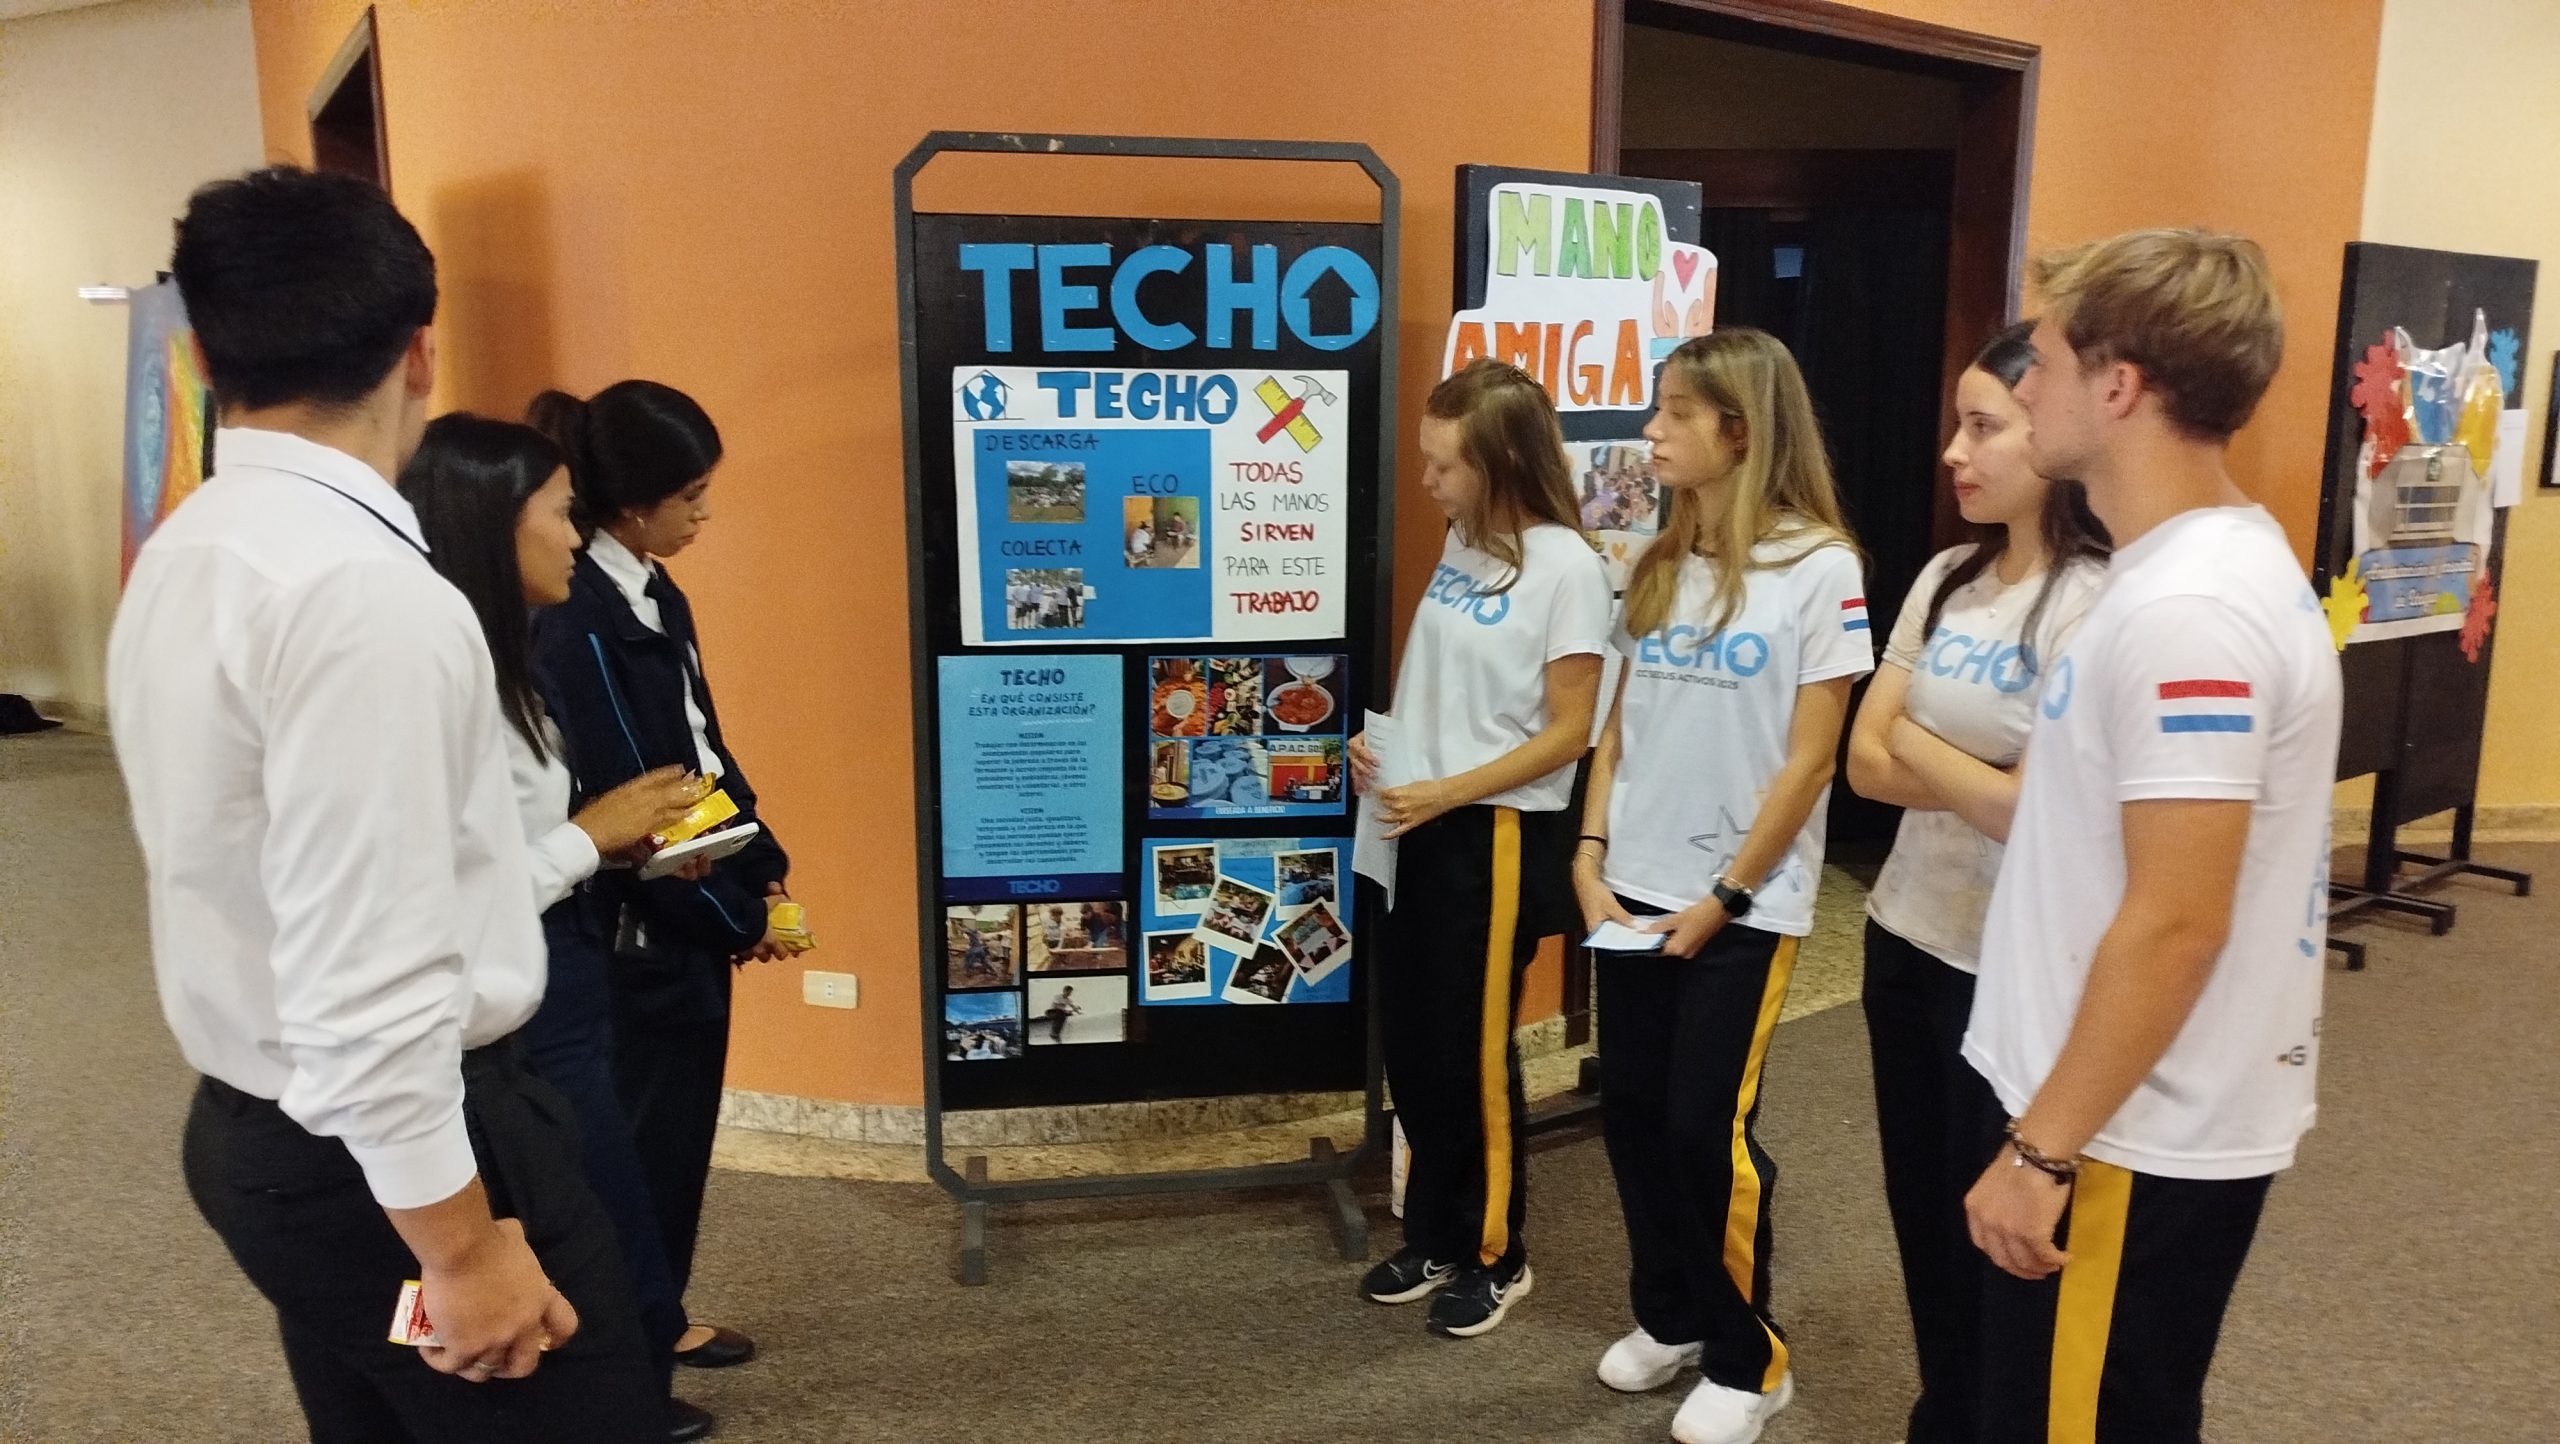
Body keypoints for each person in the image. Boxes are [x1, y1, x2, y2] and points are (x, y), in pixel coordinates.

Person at [107, 166, 659, 1441]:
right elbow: (368, 967)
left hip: (273, 1125)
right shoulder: (363, 593)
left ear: (205, 357)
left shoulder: (192, 547)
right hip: (401, 1151)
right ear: (419, 352)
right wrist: (460, 1248)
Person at [1962, 230, 2340, 1443]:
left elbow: (2178, 919)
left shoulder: (2192, 609)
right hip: (2106, 1117)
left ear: (2118, 386)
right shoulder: (2168, 571)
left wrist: (2042, 1150)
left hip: (2125, 1134)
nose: (2024, 386)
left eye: (2043, 360)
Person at [401, 413, 728, 1441]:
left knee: (600, 1194)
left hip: (557, 968)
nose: (575, 538)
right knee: (577, 1208)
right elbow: (454, 890)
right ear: (491, 526)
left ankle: (631, 1363)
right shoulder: (447, 679)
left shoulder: (507, 660)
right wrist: (590, 838)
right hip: (504, 1006)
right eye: (559, 514)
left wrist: (611, 845)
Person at [1572, 328, 1871, 1444]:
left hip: (1743, 906)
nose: (1650, 431)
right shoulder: (1657, 562)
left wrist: (1729, 896)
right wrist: (1587, 854)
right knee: (1633, 1116)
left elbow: (1811, 758)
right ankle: (1672, 1316)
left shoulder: (1820, 568)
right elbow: (1618, 728)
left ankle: (1751, 1357)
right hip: (1630, 890)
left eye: (1674, 413)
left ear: (1738, 431)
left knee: (1707, 1128)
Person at [1843, 323, 2112, 1444]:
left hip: (2006, 966)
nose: (1955, 451)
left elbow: (2030, 812)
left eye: (1983, 426)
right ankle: (1944, 1411)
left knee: (1997, 1225)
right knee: (1919, 1206)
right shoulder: (1944, 576)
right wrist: (1980, 775)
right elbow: (1861, 764)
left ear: (2049, 432)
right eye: (1958, 425)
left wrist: (1920, 746)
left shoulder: (2096, 599)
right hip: (1904, 932)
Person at [529, 380, 795, 1374]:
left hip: (695, 902)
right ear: (633, 505)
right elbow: (633, 801)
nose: (704, 514)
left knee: (674, 1140)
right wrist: (735, 915)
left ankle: (658, 1317)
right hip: (638, 927)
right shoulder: (578, 617)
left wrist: (764, 871)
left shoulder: (651, 587)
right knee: (631, 1149)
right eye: (690, 496)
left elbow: (701, 751)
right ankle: (628, 1353)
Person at [1349, 359, 1609, 1338]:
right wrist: (1383, 747)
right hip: (1413, 819)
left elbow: (1571, 731)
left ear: (1500, 462)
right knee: (1417, 1044)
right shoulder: (1466, 539)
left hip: (1491, 831)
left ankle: (1499, 1253)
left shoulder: (1568, 569)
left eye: (1444, 465)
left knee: (1473, 1051)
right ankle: (1435, 1233)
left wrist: (1448, 790)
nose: (1427, 482)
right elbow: (1447, 683)